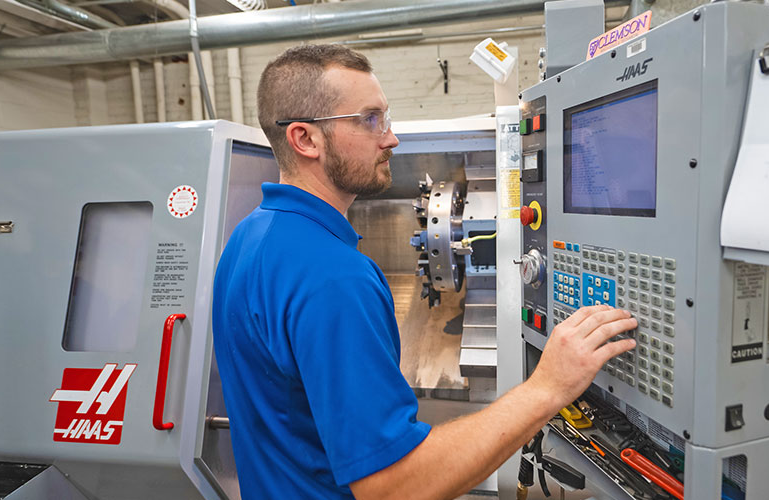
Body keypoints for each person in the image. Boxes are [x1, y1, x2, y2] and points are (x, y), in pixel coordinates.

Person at [212, 44, 637, 500]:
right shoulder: (333, 278)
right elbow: (394, 485)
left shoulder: (247, 239)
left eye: (386, 117)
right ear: (305, 139)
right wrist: (548, 387)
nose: (391, 138)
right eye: (369, 119)